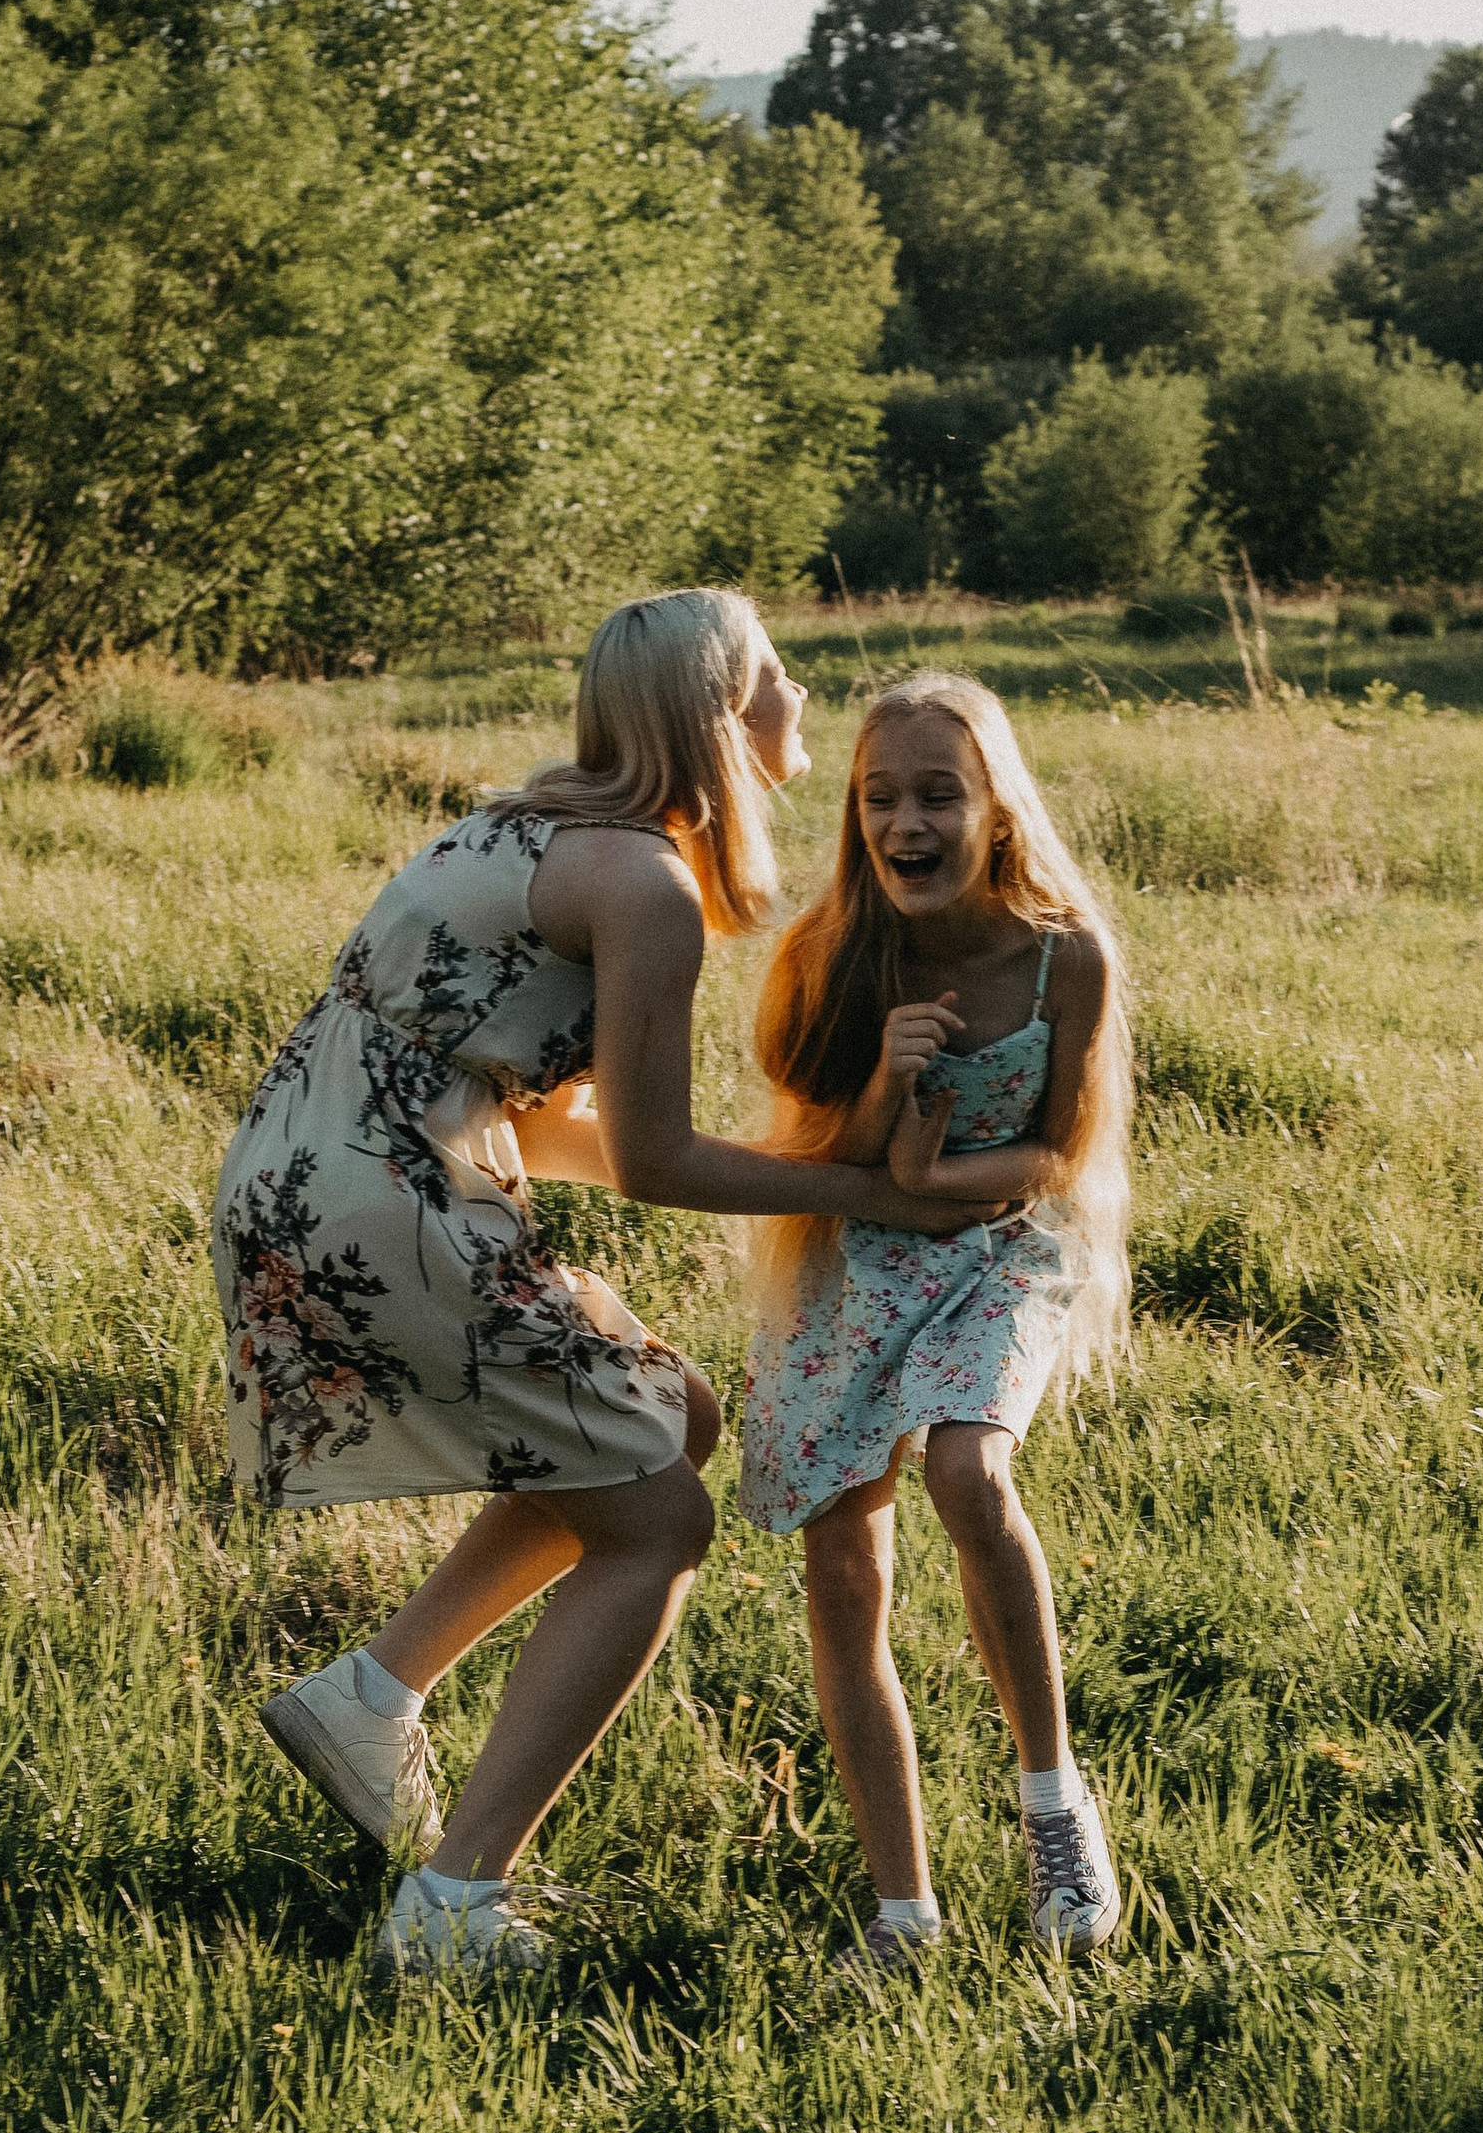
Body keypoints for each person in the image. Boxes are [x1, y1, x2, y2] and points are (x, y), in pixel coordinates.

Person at [213, 589, 1006, 1986]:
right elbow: (647, 1156)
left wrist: (791, 1156)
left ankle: (372, 1692)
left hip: (314, 1175)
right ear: (719, 711)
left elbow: (541, 1114)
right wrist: (859, 1187)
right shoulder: (640, 885)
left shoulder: (522, 825)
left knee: (668, 1414)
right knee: (658, 1520)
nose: (798, 697)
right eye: (774, 673)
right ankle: (454, 1905)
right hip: (392, 1205)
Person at [740, 671, 1133, 1966]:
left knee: (971, 1465)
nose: (906, 820)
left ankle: (1056, 1807)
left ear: (997, 810)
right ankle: (903, 1911)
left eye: (938, 794)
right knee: (845, 1565)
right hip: (857, 1259)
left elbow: (1056, 1155)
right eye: (880, 796)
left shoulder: (1064, 954)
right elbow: (822, 1145)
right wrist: (888, 1101)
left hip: (997, 1248)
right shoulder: (833, 952)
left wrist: (925, 1179)